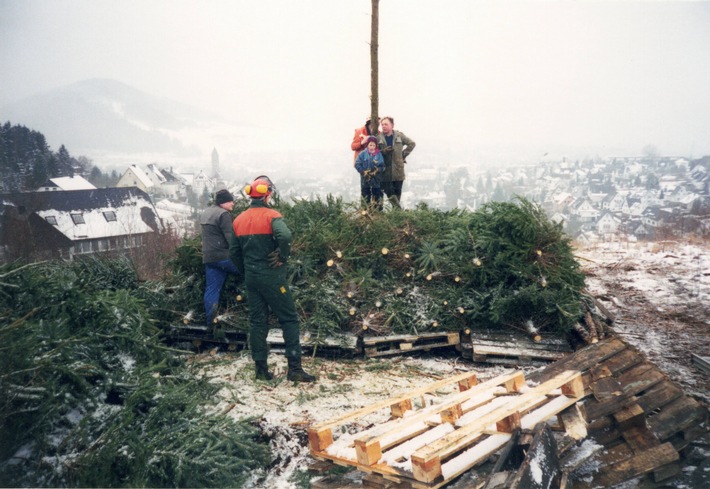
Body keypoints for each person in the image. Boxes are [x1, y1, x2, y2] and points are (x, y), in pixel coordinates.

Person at [229, 176, 316, 383]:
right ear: (267, 194)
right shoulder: (272, 215)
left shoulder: (238, 219)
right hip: (272, 277)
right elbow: (285, 236)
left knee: (257, 322)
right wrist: (282, 255)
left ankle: (261, 370)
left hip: (252, 279)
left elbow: (233, 253)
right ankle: (294, 369)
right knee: (289, 319)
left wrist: (247, 271)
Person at [199, 189, 240, 326]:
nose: (232, 203)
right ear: (223, 202)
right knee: (252, 272)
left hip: (209, 258)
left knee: (212, 289)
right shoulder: (223, 214)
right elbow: (231, 239)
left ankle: (210, 322)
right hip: (224, 257)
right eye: (230, 201)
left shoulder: (206, 213)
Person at [377, 116, 416, 208]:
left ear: (392, 125)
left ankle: (396, 215)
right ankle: (398, 212)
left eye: (386, 124)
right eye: (382, 125)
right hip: (385, 173)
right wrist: (383, 152)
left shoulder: (399, 136)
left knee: (397, 195)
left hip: (398, 172)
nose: (384, 126)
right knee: (390, 195)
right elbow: (374, 153)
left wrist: (403, 155)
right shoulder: (378, 138)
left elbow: (412, 144)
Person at [355, 136, 385, 208]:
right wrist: (363, 171)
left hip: (376, 179)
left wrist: (377, 170)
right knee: (365, 196)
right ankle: (365, 212)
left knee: (376, 196)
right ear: (367, 145)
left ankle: (377, 212)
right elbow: (357, 164)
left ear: (376, 145)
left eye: (374, 145)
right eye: (370, 145)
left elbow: (382, 166)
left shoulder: (379, 155)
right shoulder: (362, 154)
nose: (372, 147)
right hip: (365, 179)